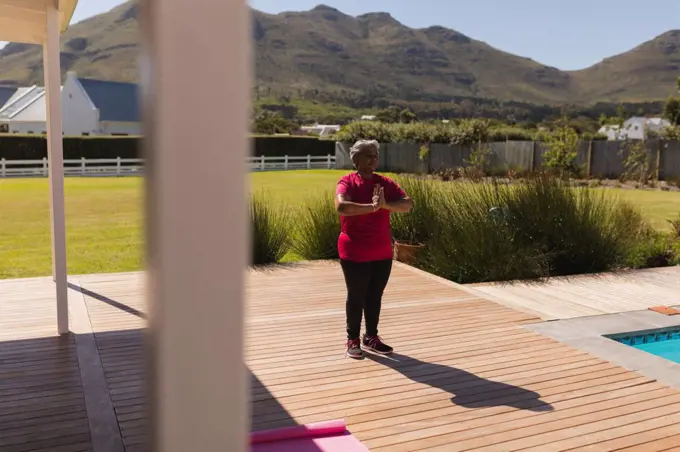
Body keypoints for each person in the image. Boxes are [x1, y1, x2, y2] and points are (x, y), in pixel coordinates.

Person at [335, 139, 413, 359]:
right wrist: (372, 207)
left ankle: (371, 337)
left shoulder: (385, 183)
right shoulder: (347, 182)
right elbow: (341, 206)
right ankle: (352, 339)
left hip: (381, 250)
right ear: (355, 159)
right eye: (368, 155)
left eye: (375, 155)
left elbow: (408, 204)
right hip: (354, 249)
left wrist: (386, 205)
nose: (373, 159)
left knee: (375, 295)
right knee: (357, 295)